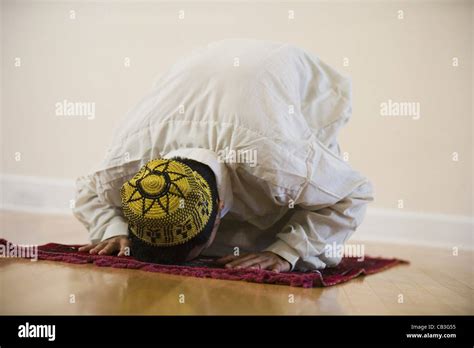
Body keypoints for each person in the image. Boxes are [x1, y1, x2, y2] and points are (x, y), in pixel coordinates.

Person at [73, 39, 374, 272]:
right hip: (195, 73)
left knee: (289, 229)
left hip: (293, 78)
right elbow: (87, 190)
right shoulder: (125, 166)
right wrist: (112, 230)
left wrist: (287, 252)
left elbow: (353, 192)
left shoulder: (282, 164)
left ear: (218, 209)